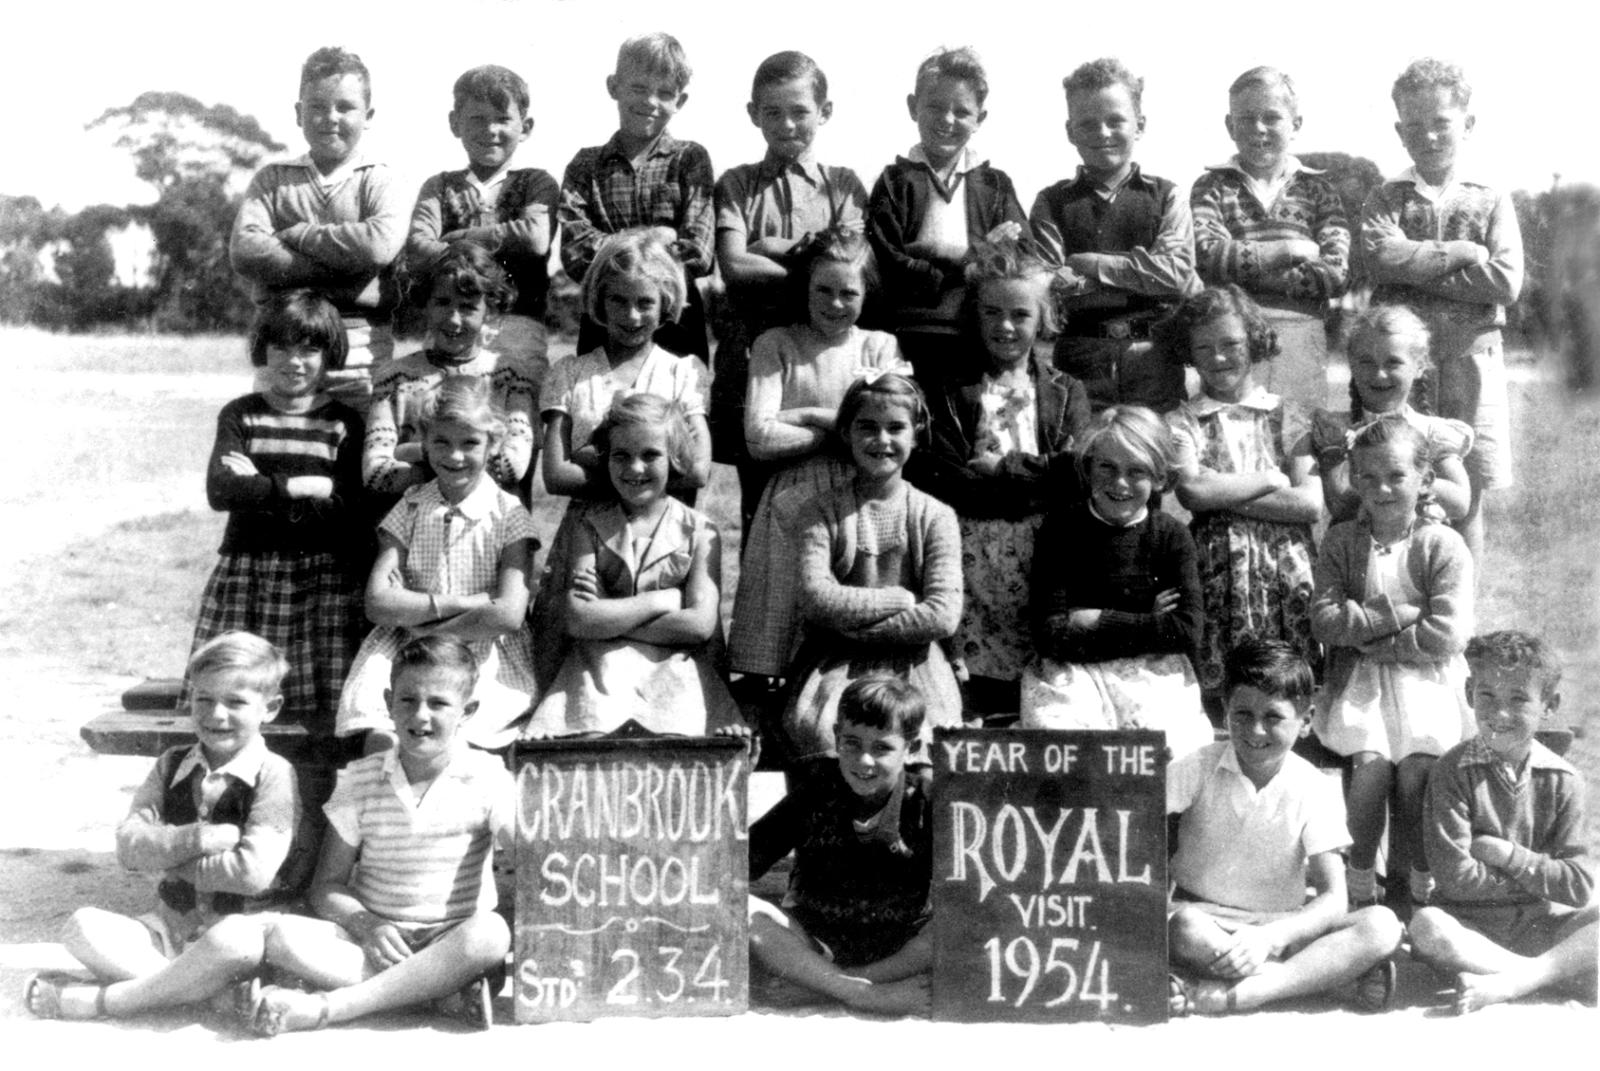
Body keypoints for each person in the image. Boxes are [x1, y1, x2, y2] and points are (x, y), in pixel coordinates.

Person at [26, 633, 303, 1021]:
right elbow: (129, 847)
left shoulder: (273, 774)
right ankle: (210, 997)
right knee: (81, 926)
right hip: (169, 932)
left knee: (234, 941)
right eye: (204, 699)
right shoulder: (172, 764)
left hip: (237, 934)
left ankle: (106, 1001)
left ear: (270, 708)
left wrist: (169, 861)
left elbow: (251, 874)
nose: (216, 714)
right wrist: (199, 838)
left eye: (236, 702)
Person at [246, 635, 514, 1035]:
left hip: (452, 941)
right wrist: (368, 925)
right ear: (389, 702)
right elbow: (327, 886)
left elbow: (520, 844)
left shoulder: (489, 777)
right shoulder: (361, 779)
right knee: (282, 936)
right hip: (374, 942)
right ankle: (438, 996)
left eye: (439, 703)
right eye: (408, 700)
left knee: (491, 934)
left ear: (468, 710)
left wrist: (517, 837)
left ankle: (329, 1007)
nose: (420, 716)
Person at [1166, 638, 1403, 1015]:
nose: (1256, 731)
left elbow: (1333, 897)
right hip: (1204, 922)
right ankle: (1319, 978)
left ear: (1306, 720)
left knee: (1381, 925)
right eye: (1242, 714)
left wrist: (1268, 938)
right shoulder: (1196, 766)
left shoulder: (1314, 787)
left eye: (1273, 717)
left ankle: (1245, 992)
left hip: (1281, 929)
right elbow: (1138, 824)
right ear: (1225, 709)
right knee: (1184, 928)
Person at [910, 236, 1090, 714]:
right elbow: (945, 477)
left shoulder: (1066, 391)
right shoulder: (951, 389)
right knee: (975, 683)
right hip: (971, 553)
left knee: (1041, 677)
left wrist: (1002, 470)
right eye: (992, 313)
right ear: (975, 314)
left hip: (1047, 553)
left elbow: (1078, 471)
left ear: (1044, 318)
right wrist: (1034, 485)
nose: (1005, 326)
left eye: (1020, 315)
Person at [532, 228, 713, 688]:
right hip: (588, 537)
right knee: (573, 656)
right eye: (618, 302)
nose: (631, 316)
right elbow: (555, 474)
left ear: (667, 301)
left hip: (663, 537)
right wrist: (647, 465)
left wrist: (595, 457)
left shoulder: (681, 372)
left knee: (662, 663)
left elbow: (697, 468)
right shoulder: (572, 374)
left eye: (645, 303)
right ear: (599, 300)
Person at [728, 228, 908, 688]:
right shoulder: (776, 344)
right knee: (780, 616)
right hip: (794, 497)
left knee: (852, 613)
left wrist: (806, 415)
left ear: (867, 292)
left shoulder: (878, 347)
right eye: (822, 290)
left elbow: (884, 429)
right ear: (805, 288)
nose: (834, 303)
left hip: (861, 498)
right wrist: (844, 428)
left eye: (849, 292)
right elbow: (760, 437)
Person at [1361, 57, 1523, 563]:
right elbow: (1378, 258)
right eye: (1414, 126)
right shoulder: (1386, 196)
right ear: (1398, 130)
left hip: (1471, 358)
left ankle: (1461, 619)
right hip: (1404, 369)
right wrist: (1459, 253)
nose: (1428, 136)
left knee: (1465, 489)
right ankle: (1400, 602)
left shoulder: (1490, 196)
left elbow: (1505, 279)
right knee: (1396, 478)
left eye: (1441, 123)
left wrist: (1415, 273)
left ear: (1467, 125)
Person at [182, 291, 366, 729]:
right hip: (248, 578)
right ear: (263, 349)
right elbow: (222, 490)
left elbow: (348, 510)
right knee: (232, 691)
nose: (294, 361)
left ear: (330, 355)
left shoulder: (343, 423)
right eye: (281, 346)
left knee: (316, 709)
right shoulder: (241, 415)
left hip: (321, 583)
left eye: (309, 349)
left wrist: (261, 488)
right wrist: (300, 487)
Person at [1312, 418, 1474, 912]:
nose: (1381, 489)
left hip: (1430, 682)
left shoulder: (1442, 545)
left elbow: (1448, 633)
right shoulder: (1342, 541)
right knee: (1371, 769)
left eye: (1396, 477)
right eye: (1367, 477)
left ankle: (1415, 881)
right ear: (1354, 480)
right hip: (1364, 685)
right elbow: (1324, 620)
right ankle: (1360, 885)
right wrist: (1393, 614)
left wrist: (1375, 641)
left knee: (1419, 771)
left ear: (1424, 480)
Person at [337, 377, 538, 754]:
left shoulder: (509, 514)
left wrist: (416, 610)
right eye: (442, 442)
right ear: (425, 443)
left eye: (470, 443)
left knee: (460, 737)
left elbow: (508, 615)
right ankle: (383, 808)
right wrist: (469, 602)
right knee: (383, 733)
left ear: (493, 444)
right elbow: (379, 603)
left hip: (482, 649)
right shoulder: (412, 505)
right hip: (407, 646)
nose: (455, 456)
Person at [522, 394, 741, 736]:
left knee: (676, 740)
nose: (635, 468)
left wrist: (610, 615)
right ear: (606, 459)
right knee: (593, 738)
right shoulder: (588, 526)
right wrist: (662, 601)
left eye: (650, 455)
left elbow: (699, 625)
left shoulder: (699, 531)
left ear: (675, 458)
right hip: (599, 671)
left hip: (676, 671)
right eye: (621, 456)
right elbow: (580, 619)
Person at [713, 50, 869, 527]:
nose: (786, 124)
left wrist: (772, 245)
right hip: (753, 364)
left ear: (824, 112)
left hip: (826, 363)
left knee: (838, 504)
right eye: (772, 112)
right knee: (759, 508)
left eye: (800, 111)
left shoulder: (843, 186)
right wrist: (813, 268)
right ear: (752, 114)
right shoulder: (737, 184)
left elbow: (850, 270)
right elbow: (735, 266)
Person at [1411, 630, 1597, 1014]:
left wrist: (1510, 856)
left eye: (1518, 699)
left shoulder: (1564, 781)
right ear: (1468, 693)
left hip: (1537, 929)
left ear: (1550, 704)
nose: (1500, 714)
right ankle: (1542, 977)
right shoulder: (1452, 771)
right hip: (1468, 931)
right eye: (1488, 697)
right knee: (1426, 926)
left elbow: (1578, 886)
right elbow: (1455, 880)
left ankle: (1513, 981)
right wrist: (1539, 877)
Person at [781, 373, 962, 764]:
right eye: (867, 427)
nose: (882, 440)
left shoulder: (936, 515)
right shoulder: (819, 512)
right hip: (835, 665)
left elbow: (942, 616)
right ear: (846, 432)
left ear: (917, 433)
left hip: (916, 665)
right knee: (823, 734)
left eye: (896, 428)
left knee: (927, 743)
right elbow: (817, 600)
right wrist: (897, 598)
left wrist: (850, 622)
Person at [1162, 285, 1323, 711]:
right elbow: (1193, 491)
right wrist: (1270, 478)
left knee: (1287, 689)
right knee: (1227, 690)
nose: (1218, 358)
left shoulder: (1288, 414)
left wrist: (1225, 490)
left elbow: (1308, 503)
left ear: (1253, 339)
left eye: (1231, 344)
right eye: (1204, 348)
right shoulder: (1183, 421)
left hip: (1284, 567)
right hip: (1219, 567)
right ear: (1190, 353)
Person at [1020, 406, 1213, 760]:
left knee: (1165, 752)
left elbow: (1185, 631)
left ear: (1158, 479)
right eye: (1107, 467)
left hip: (1152, 673)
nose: (1120, 483)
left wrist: (1097, 619)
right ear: (1089, 467)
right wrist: (1149, 621)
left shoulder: (1171, 536)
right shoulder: (1062, 529)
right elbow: (1049, 634)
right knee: (1069, 749)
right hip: (1073, 672)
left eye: (1136, 471)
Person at [749, 674, 933, 1015]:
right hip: (816, 945)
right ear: (835, 736)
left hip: (899, 951)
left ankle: (829, 985)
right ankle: (859, 992)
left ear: (912, 748)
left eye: (882, 748)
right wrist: (733, 780)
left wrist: (964, 767)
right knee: (746, 912)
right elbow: (740, 864)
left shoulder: (925, 799)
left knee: (952, 923)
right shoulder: (816, 790)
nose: (864, 761)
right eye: (852, 743)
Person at [230, 46, 404, 397]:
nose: (331, 117)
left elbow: (376, 247)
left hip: (360, 350)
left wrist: (299, 235)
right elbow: (246, 251)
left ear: (368, 115)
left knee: (358, 444)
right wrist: (352, 273)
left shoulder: (379, 180)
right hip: (283, 344)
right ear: (299, 113)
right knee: (278, 443)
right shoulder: (273, 179)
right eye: (318, 107)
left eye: (345, 107)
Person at [1029, 57, 1200, 413]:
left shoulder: (1166, 195)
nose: (1103, 132)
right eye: (1088, 123)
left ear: (1140, 124)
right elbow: (1049, 285)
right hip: (1080, 361)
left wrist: (1091, 264)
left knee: (1157, 454)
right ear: (1070, 130)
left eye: (1115, 120)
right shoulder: (1052, 201)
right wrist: (1142, 277)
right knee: (1084, 456)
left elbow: (1176, 274)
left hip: (1154, 356)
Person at [866, 46, 1028, 389]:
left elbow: (1020, 258)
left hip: (974, 338)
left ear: (980, 119)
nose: (947, 120)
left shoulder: (995, 184)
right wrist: (972, 258)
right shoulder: (894, 181)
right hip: (903, 336)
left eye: (962, 111)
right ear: (913, 107)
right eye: (935, 107)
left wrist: (928, 251)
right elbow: (887, 263)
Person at [1191, 66, 1349, 412]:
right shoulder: (1212, 187)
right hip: (1232, 341)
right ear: (1230, 126)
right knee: (1236, 438)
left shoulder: (1319, 190)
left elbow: (1336, 273)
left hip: (1302, 334)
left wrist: (1246, 275)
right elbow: (1209, 256)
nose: (1258, 129)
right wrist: (1290, 250)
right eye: (1246, 119)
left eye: (1272, 118)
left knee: (1301, 440)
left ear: (1296, 124)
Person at [406, 64, 559, 404]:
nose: (490, 130)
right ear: (454, 123)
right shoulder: (440, 186)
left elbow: (534, 238)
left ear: (525, 127)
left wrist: (456, 239)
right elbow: (417, 248)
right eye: (477, 118)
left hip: (517, 325)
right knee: (443, 416)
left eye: (503, 119)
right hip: (451, 322)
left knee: (517, 421)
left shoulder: (536, 182)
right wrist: (500, 239)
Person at [558, 32, 715, 361]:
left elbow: (698, 251)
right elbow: (574, 252)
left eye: (665, 93)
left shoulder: (690, 159)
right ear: (613, 86)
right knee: (596, 409)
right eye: (639, 88)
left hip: (675, 318)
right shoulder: (585, 165)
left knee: (678, 410)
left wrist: (613, 248)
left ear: (680, 101)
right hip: (604, 319)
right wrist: (658, 237)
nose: (650, 102)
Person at [364, 241, 539, 505]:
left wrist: (413, 452)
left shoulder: (512, 377)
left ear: (489, 311)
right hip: (413, 526)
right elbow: (376, 472)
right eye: (443, 302)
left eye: (468, 307)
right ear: (425, 304)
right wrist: (467, 460)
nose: (454, 319)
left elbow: (511, 466)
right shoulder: (394, 377)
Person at [1301, 304, 1474, 524]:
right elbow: (1340, 505)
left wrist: (1407, 480)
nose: (1379, 375)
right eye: (1367, 363)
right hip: (1354, 552)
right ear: (1352, 364)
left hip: (1416, 551)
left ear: (1419, 365)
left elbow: (1460, 502)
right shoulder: (1335, 430)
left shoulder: (1430, 431)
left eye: (1393, 363)